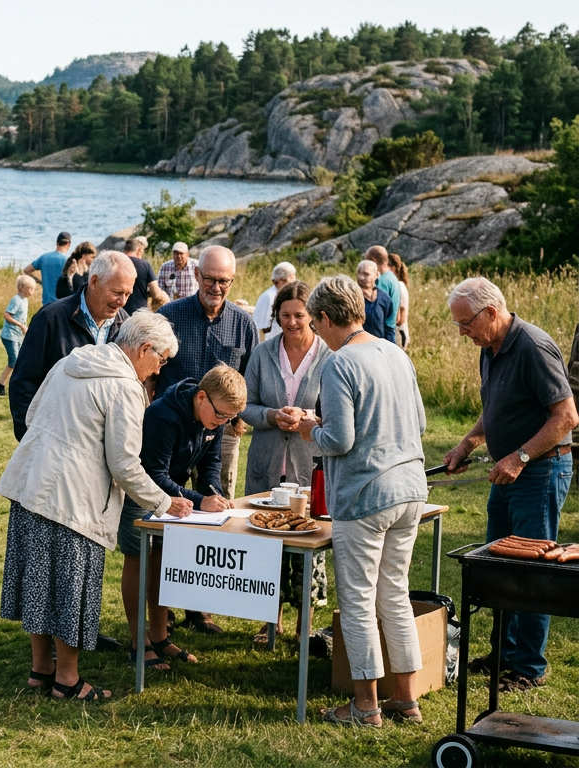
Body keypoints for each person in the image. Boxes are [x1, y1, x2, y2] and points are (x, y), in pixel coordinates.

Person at [0, 311, 189, 700]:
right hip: (74, 500)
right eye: (161, 359)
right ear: (144, 349)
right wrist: (164, 502)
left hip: (31, 482)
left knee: (39, 584)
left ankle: (41, 670)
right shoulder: (125, 387)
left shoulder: (72, 360)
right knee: (70, 591)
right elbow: (124, 463)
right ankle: (67, 681)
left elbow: (33, 413)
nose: (160, 369)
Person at [294, 275, 429, 726]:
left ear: (325, 318)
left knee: (357, 601)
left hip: (366, 494)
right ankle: (406, 700)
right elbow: (420, 423)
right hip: (410, 488)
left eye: (314, 324)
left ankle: (365, 706)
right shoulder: (396, 353)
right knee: (395, 595)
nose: (315, 333)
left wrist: (310, 429)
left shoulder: (339, 363)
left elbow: (339, 440)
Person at [442, 277, 578, 692]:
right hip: (510, 473)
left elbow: (567, 417)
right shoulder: (490, 348)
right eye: (458, 324)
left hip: (540, 472)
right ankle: (503, 652)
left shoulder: (533, 347)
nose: (461, 332)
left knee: (532, 570)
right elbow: (495, 407)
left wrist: (519, 457)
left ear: (491, 312)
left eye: (466, 323)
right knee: (498, 565)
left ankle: (529, 667)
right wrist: (468, 442)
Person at [154, 244, 256, 634]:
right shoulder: (170, 316)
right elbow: (150, 372)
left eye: (224, 281)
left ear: (233, 280)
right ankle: (165, 608)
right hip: (171, 428)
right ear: (197, 275)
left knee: (214, 509)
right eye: (210, 279)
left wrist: (235, 418)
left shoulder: (243, 325)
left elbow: (247, 378)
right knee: (171, 514)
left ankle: (200, 608)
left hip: (219, 431)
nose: (216, 287)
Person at [120, 364, 245, 670]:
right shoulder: (163, 416)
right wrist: (201, 501)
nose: (222, 423)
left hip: (174, 494)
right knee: (138, 559)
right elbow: (154, 473)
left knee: (163, 560)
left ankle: (160, 637)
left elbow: (210, 465)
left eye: (229, 418)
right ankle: (138, 642)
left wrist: (214, 495)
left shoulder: (214, 418)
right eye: (220, 415)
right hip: (141, 492)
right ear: (201, 397)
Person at [242, 280, 331, 642]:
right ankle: (269, 623)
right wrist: (271, 415)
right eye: (285, 315)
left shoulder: (329, 356)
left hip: (310, 466)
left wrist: (307, 416)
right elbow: (244, 405)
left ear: (313, 316)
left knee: (309, 547)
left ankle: (304, 627)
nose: (292, 322)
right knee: (266, 546)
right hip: (267, 466)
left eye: (299, 315)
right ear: (276, 315)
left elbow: (338, 413)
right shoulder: (263, 353)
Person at [8, 251, 136, 439]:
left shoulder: (127, 326)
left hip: (103, 445)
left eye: (127, 294)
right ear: (94, 282)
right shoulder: (50, 318)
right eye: (117, 292)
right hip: (53, 440)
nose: (122, 301)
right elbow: (23, 382)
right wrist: (31, 438)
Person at [0, 275, 34, 397]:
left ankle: (8, 386)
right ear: (21, 287)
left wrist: (24, 327)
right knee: (14, 362)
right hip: (9, 335)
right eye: (30, 289)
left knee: (19, 360)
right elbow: (7, 315)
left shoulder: (25, 300)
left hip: (18, 336)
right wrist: (21, 326)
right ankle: (0, 387)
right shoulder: (16, 300)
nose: (32, 291)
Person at [23, 231, 72, 307]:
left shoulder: (44, 258)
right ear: (69, 244)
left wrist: (40, 282)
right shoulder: (68, 261)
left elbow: (26, 270)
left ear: (56, 243)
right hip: (62, 304)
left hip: (46, 304)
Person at [123, 236, 169, 313]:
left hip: (117, 312)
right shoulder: (144, 265)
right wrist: (165, 297)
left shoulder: (116, 262)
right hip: (138, 312)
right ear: (139, 250)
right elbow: (156, 294)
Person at [364, 245, 401, 341]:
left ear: (372, 260)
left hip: (382, 333)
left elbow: (376, 310)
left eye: (366, 261)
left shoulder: (382, 281)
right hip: (390, 329)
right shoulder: (392, 277)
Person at [254, 262, 297, 339]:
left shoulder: (287, 295)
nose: (294, 280)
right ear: (288, 278)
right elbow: (261, 328)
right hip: (271, 342)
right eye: (293, 277)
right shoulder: (268, 297)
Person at [356, 260, 395, 343]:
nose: (361, 278)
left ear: (376, 275)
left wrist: (391, 348)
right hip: (357, 345)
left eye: (366, 274)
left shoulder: (384, 299)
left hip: (378, 346)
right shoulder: (352, 297)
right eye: (359, 273)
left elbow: (389, 329)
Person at [389, 253, 411, 349]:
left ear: (392, 269)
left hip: (398, 333)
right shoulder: (398, 284)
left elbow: (400, 316)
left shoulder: (398, 286)